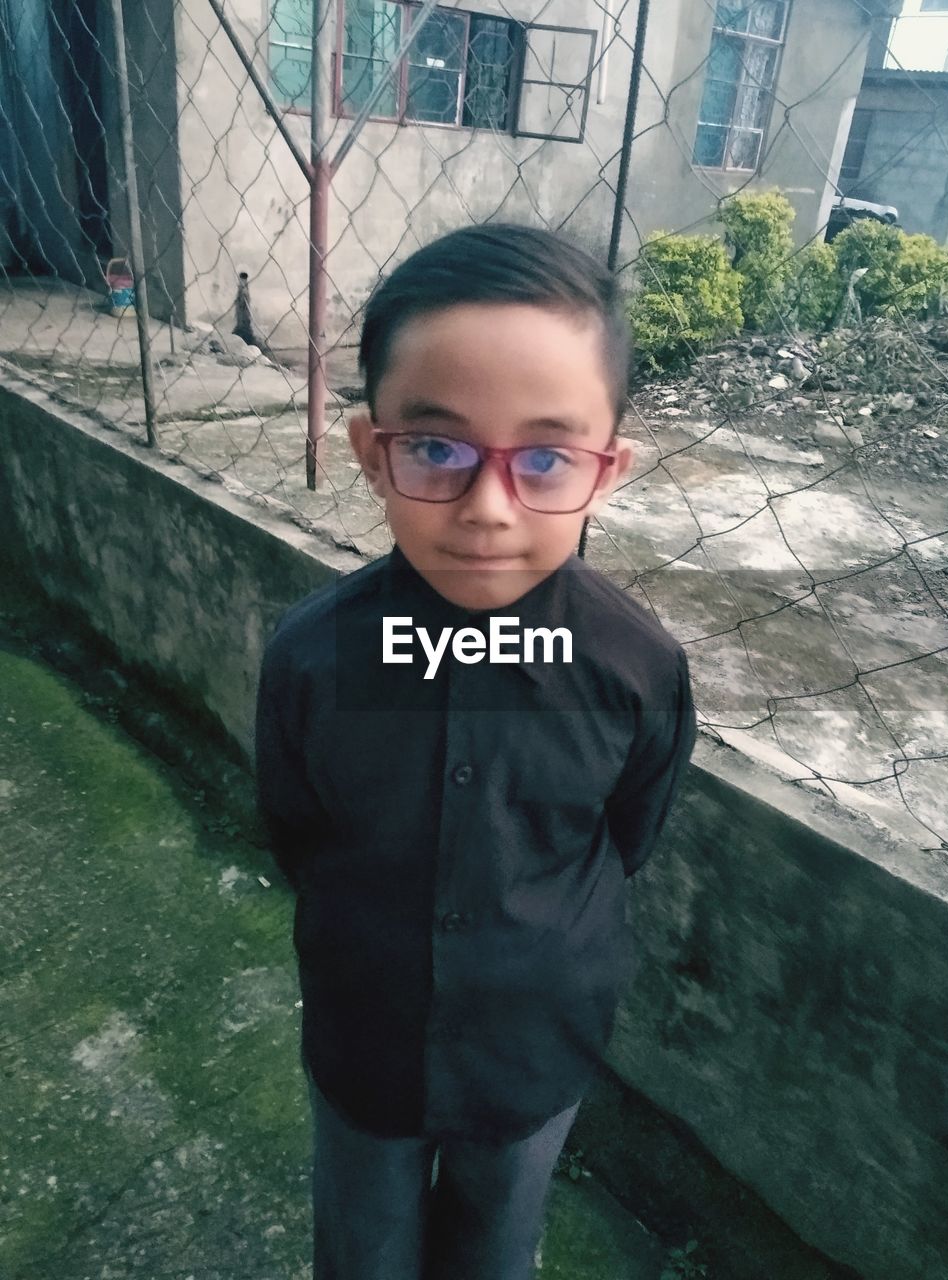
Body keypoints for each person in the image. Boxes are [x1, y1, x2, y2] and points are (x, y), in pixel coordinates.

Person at [254, 223, 697, 1280]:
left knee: (496, 1247)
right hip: (367, 1038)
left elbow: (628, 830)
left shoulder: (637, 668)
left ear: (608, 469)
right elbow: (296, 828)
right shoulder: (313, 662)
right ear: (373, 450)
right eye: (439, 448)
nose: (489, 510)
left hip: (535, 1047)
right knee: (362, 1249)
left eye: (545, 457)